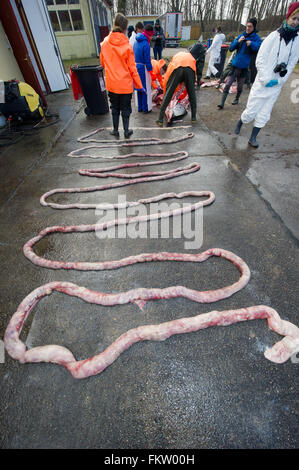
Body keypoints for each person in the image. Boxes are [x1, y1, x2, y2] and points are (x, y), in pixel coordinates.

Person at [234, 2, 299, 148]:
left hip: (276, 84)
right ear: (288, 17)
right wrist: (265, 78)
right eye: (294, 18)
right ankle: (241, 121)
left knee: (265, 113)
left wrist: (281, 80)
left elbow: (292, 63)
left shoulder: (297, 41)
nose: (296, 23)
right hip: (263, 82)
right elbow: (260, 59)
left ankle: (253, 137)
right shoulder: (273, 37)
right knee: (251, 110)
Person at [100, 12, 144, 138]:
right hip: (125, 85)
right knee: (125, 108)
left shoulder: (105, 43)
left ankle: (115, 130)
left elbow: (102, 63)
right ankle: (126, 131)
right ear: (125, 29)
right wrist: (139, 85)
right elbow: (132, 69)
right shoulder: (127, 46)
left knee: (114, 107)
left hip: (112, 84)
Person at [218, 18, 262, 109]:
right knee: (228, 84)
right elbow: (231, 49)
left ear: (254, 27)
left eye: (250, 26)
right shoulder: (241, 36)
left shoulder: (256, 38)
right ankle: (222, 103)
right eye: (247, 26)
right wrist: (237, 42)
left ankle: (237, 99)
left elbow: (260, 48)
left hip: (244, 67)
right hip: (235, 65)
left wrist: (252, 44)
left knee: (240, 86)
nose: (248, 28)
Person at [156, 44, 204, 126]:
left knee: (169, 94)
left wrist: (166, 91)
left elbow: (167, 79)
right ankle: (193, 118)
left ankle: (160, 119)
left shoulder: (177, 56)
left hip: (177, 68)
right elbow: (189, 86)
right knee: (192, 95)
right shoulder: (192, 59)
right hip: (190, 68)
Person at [134, 24, 154, 113]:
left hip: (136, 66)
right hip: (143, 67)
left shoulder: (135, 41)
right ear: (150, 34)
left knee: (139, 88)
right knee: (145, 88)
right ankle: (146, 108)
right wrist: (150, 69)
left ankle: (140, 107)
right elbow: (147, 59)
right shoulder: (145, 43)